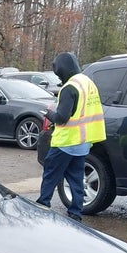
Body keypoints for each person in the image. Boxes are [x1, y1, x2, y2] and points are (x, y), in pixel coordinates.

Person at [36, 52, 106, 221]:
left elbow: (62, 118)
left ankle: (42, 205)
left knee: (51, 174)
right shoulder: (88, 83)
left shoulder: (70, 87)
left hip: (66, 141)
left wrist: (48, 114)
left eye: (58, 73)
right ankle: (76, 212)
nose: (58, 76)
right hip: (83, 142)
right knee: (76, 178)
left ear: (62, 69)